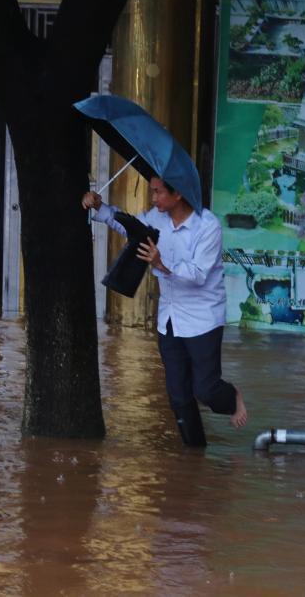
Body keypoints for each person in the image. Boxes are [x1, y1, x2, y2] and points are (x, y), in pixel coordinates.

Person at [81, 177, 247, 446]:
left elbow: (198, 275)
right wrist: (100, 207)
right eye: (152, 192)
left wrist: (161, 263)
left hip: (203, 318)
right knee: (178, 397)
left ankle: (233, 397)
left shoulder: (207, 225)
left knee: (206, 390)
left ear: (178, 193)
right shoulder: (155, 219)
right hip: (169, 319)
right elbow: (129, 225)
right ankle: (195, 453)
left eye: (158, 192)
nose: (153, 198)